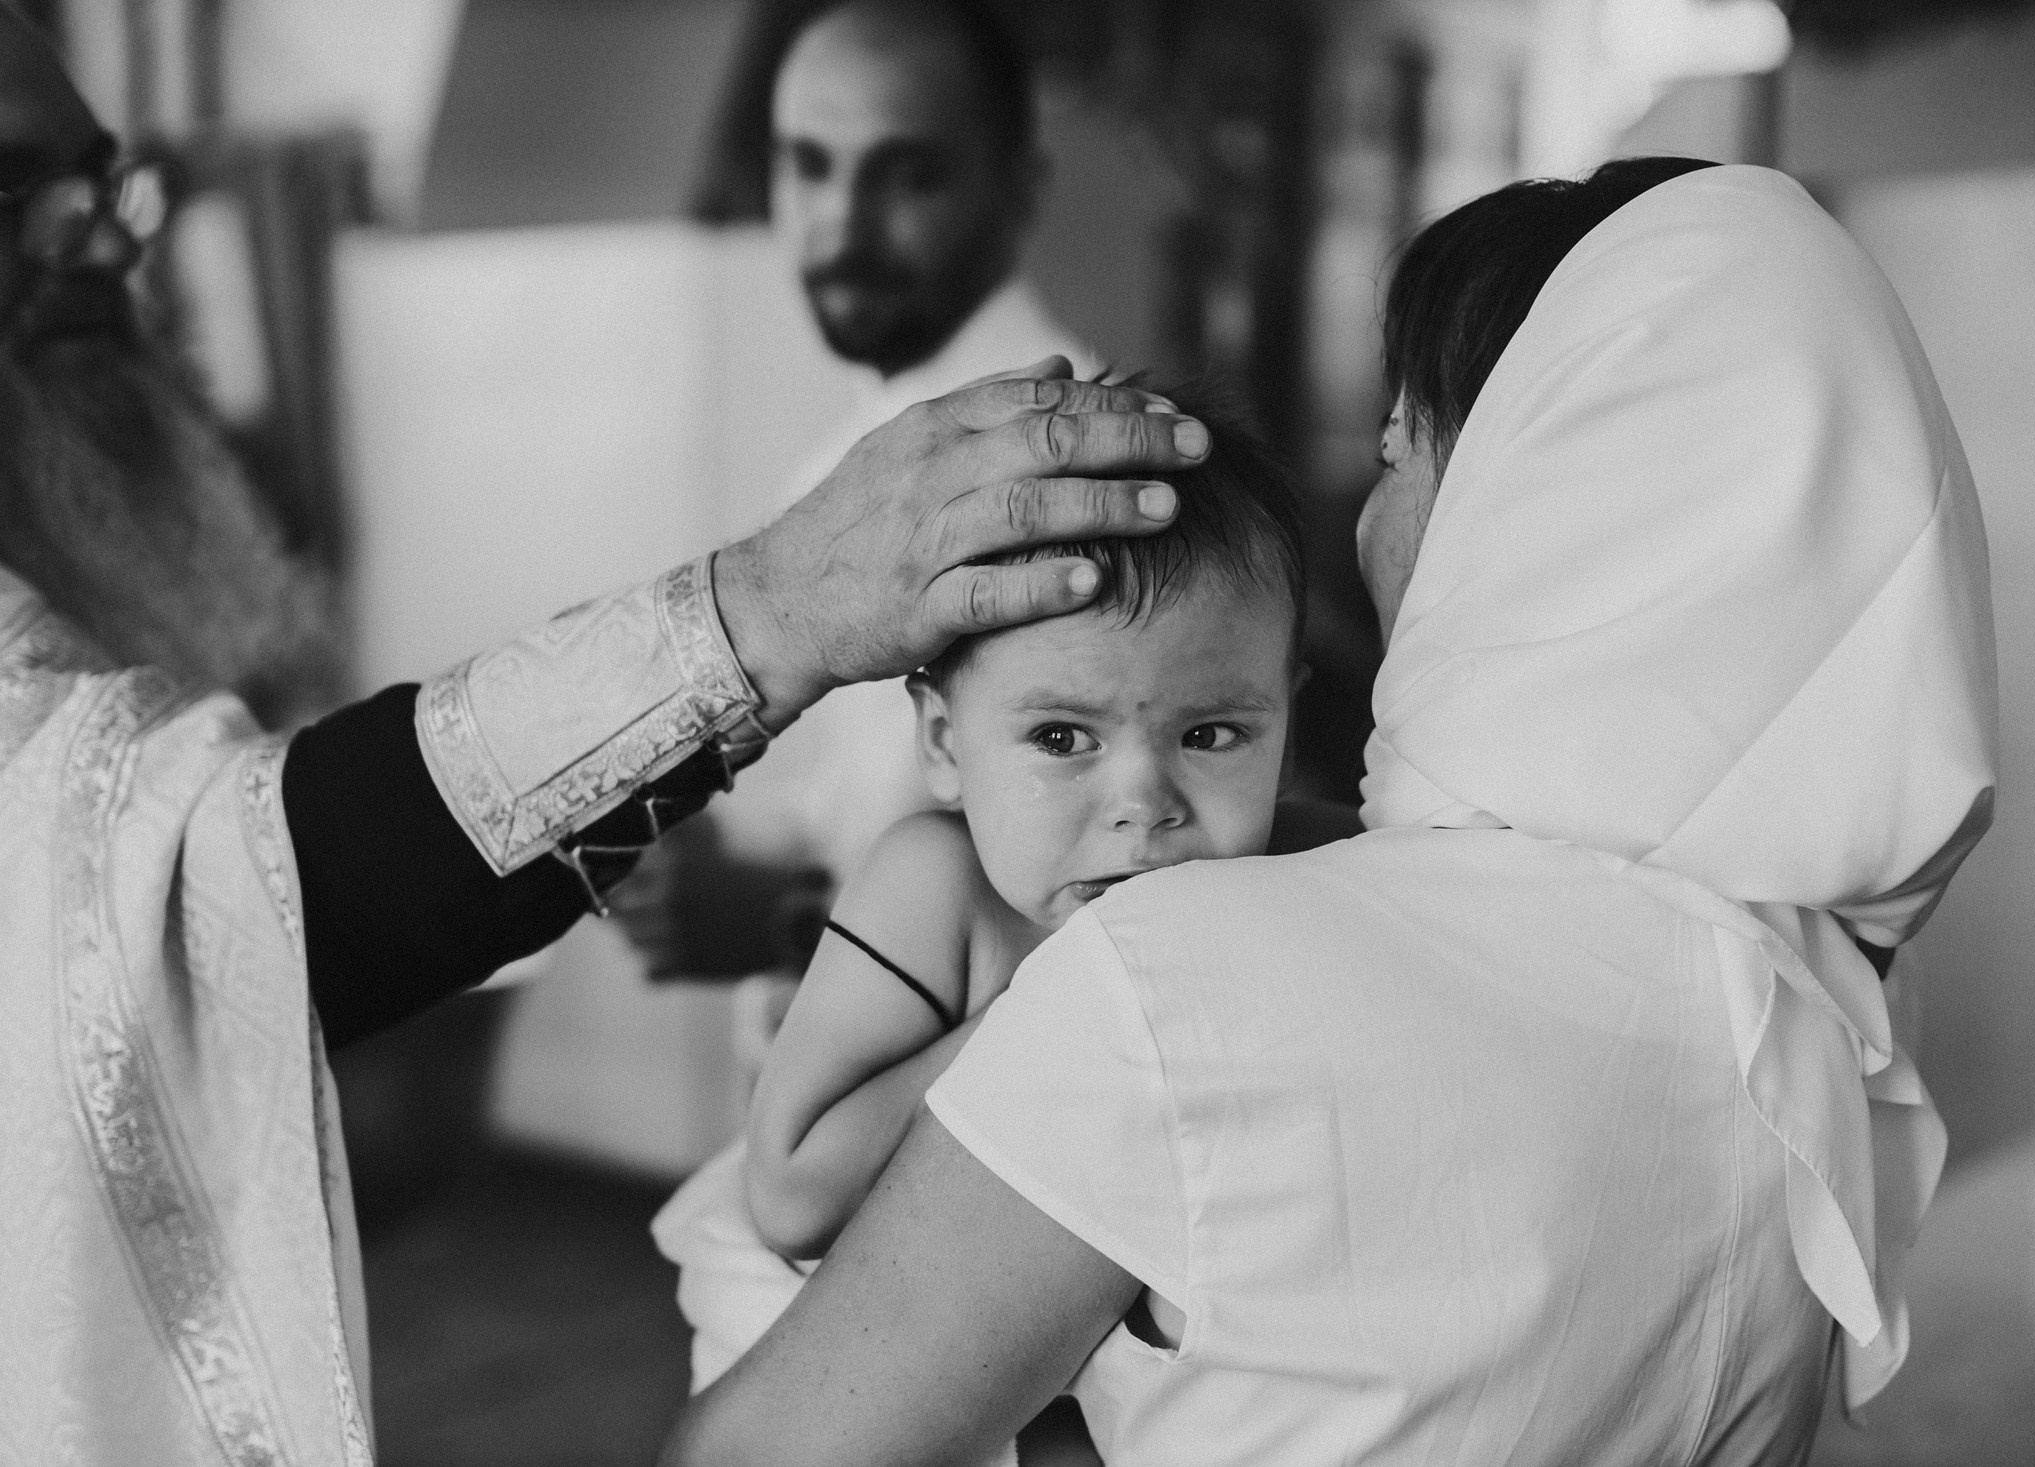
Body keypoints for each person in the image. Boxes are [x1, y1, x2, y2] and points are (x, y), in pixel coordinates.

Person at [0, 10, 1213, 1458]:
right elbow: (226, 883)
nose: (109, 241)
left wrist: (784, 892)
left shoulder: (1057, 483)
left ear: (1017, 185)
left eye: (106, 181)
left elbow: (1121, 891)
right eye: (29, 193)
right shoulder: (871, 466)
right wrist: (767, 639)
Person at [660, 158, 1997, 1467]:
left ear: (1541, 496)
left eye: (1400, 454)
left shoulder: (1175, 980)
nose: (1367, 523)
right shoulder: (1823, 1020)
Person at [651, 383, 1305, 1419]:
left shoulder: (1276, 883)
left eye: (1213, 735)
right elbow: (791, 1196)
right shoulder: (937, 887)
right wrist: (1045, 1010)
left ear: (1285, 720)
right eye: (1061, 739)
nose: (1141, 807)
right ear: (946, 744)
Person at [682, 0, 1097, 930]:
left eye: (907, 176)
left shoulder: (1070, 473)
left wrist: (785, 919)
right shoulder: (846, 456)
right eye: (808, 164)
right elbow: (881, 798)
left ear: (1021, 187)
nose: (842, 224)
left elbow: (1102, 879)